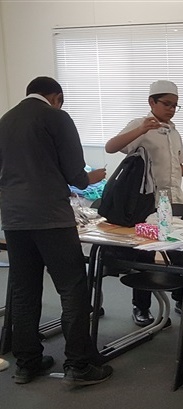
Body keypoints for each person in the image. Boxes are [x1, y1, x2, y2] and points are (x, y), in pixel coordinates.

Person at [0, 76, 113, 386]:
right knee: (72, 287)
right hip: (51, 217)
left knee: (24, 290)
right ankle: (78, 365)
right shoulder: (56, 117)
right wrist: (92, 177)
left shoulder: (4, 121)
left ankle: (27, 364)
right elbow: (76, 174)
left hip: (13, 219)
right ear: (56, 97)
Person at [105, 80, 183, 326]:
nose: (172, 109)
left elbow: (177, 168)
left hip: (174, 201)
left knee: (181, 253)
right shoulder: (140, 125)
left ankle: (182, 299)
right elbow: (111, 147)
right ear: (152, 102)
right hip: (148, 203)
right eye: (167, 104)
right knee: (144, 255)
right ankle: (141, 306)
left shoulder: (173, 132)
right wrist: (141, 129)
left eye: (175, 105)